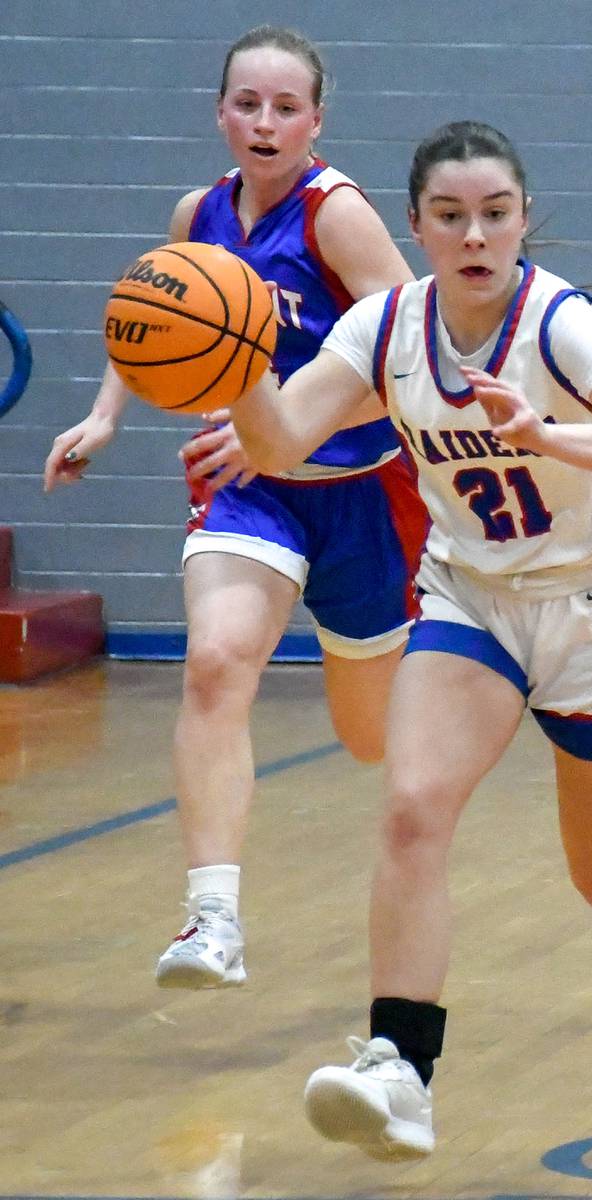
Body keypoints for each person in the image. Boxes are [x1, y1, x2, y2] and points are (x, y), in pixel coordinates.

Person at [229, 120, 592, 1161]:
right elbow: (279, 441)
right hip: (470, 599)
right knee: (412, 809)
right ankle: (400, 1071)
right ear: (415, 226)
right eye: (451, 215)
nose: (474, 234)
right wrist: (233, 358)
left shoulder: (561, 324)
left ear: (521, 219)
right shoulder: (384, 328)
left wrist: (545, 434)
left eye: (494, 213)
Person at [43, 25, 425, 989]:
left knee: (371, 739)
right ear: (220, 113)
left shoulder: (337, 217)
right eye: (247, 104)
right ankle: (210, 920)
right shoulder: (198, 214)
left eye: (285, 107)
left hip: (363, 497)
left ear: (316, 121)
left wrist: (284, 426)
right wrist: (104, 415)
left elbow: (413, 355)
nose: (264, 122)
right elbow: (155, 324)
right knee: (215, 664)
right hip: (248, 495)